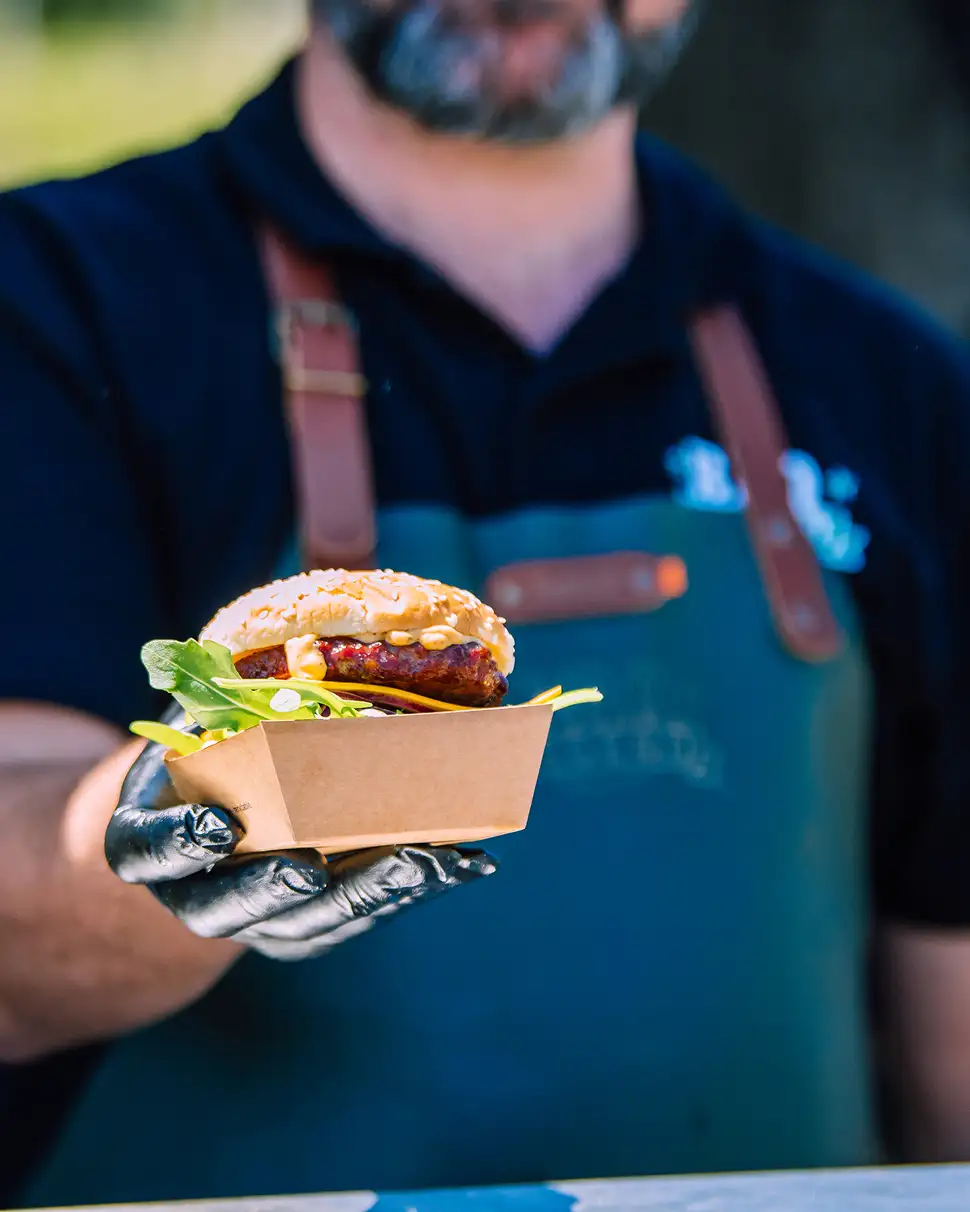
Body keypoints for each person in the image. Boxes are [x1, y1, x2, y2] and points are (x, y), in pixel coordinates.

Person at [2, 0, 970, 1204]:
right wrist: (189, 820)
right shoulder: (47, 308)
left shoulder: (889, 380)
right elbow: (14, 915)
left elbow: (954, 1056)